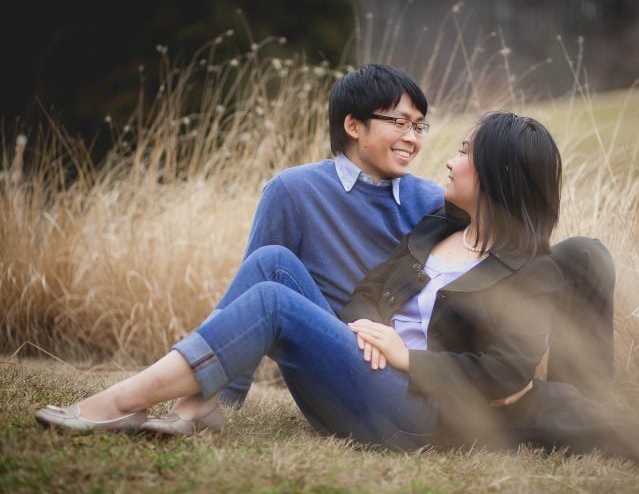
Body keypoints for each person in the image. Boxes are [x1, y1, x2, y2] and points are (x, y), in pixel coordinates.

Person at [34, 112, 604, 450]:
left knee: (274, 304)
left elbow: (502, 374)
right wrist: (368, 332)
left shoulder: (533, 270)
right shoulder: (438, 227)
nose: (449, 161)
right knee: (274, 262)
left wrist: (404, 359)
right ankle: (205, 403)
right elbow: (369, 291)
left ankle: (119, 403)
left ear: (499, 177)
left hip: (416, 413)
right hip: (366, 371)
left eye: (463, 152)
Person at [155, 63, 445, 429]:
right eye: (400, 123)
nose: (413, 138)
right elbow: (252, 293)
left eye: (419, 126)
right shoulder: (293, 191)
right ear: (353, 125)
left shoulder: (433, 203)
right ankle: (217, 398)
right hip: (326, 362)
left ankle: (195, 400)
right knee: (269, 264)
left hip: (398, 376)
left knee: (270, 267)